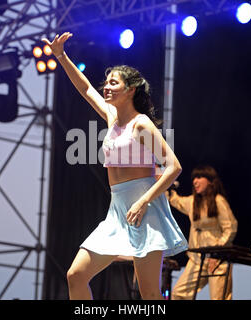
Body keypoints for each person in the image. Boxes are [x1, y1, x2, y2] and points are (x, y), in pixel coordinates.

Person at [42, 32, 188, 300]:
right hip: (117, 211)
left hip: (144, 211)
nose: (105, 87)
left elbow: (173, 167)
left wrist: (144, 201)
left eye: (113, 83)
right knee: (75, 275)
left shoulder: (140, 124)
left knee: (150, 295)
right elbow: (85, 88)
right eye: (106, 82)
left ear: (130, 90)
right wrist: (60, 55)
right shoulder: (112, 118)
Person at [166, 165, 238, 300]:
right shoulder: (192, 201)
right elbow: (175, 200)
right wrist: (166, 186)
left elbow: (230, 228)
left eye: (199, 177)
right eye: (194, 178)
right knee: (178, 293)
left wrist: (217, 252)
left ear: (210, 181)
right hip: (197, 258)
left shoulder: (218, 201)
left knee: (219, 298)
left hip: (216, 259)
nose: (195, 181)